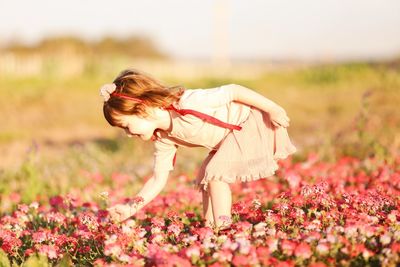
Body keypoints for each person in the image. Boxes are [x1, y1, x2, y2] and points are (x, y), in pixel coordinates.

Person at [100, 68, 297, 230]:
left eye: (126, 126)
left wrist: (272, 109)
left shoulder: (188, 103)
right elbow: (158, 179)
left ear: (142, 109)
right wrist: (129, 208)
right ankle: (210, 228)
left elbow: (234, 91)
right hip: (230, 137)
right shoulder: (163, 138)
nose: (127, 133)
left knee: (214, 175)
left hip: (250, 123)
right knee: (205, 176)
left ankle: (223, 229)